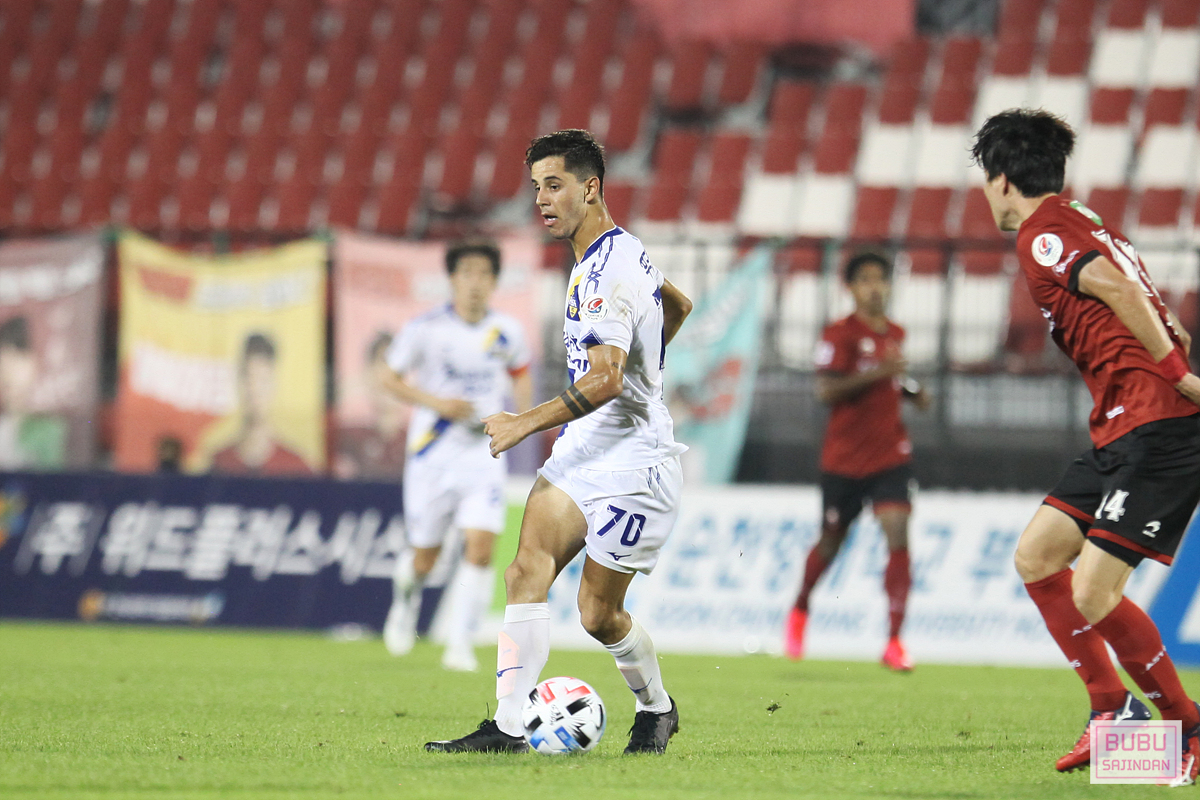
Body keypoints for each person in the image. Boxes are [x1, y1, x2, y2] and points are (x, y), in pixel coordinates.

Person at [424, 129, 693, 754]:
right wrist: (649, 361)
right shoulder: (618, 250)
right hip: (585, 449)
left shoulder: (605, 273)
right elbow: (677, 305)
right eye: (536, 187)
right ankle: (508, 727)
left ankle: (656, 706)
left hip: (637, 465)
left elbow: (605, 379)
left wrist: (524, 421)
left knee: (598, 614)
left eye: (555, 185)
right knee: (526, 571)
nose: (541, 199)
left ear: (590, 188)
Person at [972, 108, 1200, 785]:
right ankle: (1111, 708)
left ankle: (1188, 727)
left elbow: (1116, 286)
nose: (986, 194)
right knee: (1038, 555)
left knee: (1094, 591)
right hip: (1121, 424)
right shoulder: (1086, 219)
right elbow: (1148, 299)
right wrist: (1171, 338)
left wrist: (1174, 372)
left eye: (985, 180)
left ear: (1002, 179)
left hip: (1158, 424)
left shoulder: (1041, 234)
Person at [379, 238, 534, 672]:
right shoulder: (426, 328)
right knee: (424, 558)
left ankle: (460, 645)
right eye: (467, 273)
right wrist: (436, 403)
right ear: (452, 279)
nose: (475, 282)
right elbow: (387, 377)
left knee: (481, 548)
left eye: (484, 274)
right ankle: (405, 601)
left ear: (495, 281)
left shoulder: (507, 330)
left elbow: (521, 374)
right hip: (433, 456)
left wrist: (521, 420)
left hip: (483, 454)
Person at [785, 252, 931, 671]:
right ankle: (800, 607)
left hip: (890, 455)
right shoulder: (839, 334)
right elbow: (826, 391)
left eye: (880, 279)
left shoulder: (895, 333)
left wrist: (910, 391)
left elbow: (890, 378)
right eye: (865, 279)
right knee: (831, 541)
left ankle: (895, 641)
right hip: (844, 460)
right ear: (850, 288)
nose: (874, 287)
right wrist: (881, 372)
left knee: (898, 533)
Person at [210, 332, 313, 476]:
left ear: (274, 385)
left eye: (262, 380)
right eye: (248, 378)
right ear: (238, 382)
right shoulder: (220, 463)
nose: (254, 390)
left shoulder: (296, 468)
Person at [0, 315, 66, 469]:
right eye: (3, 360)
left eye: (18, 358)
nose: (8, 371)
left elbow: (52, 477)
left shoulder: (50, 429)